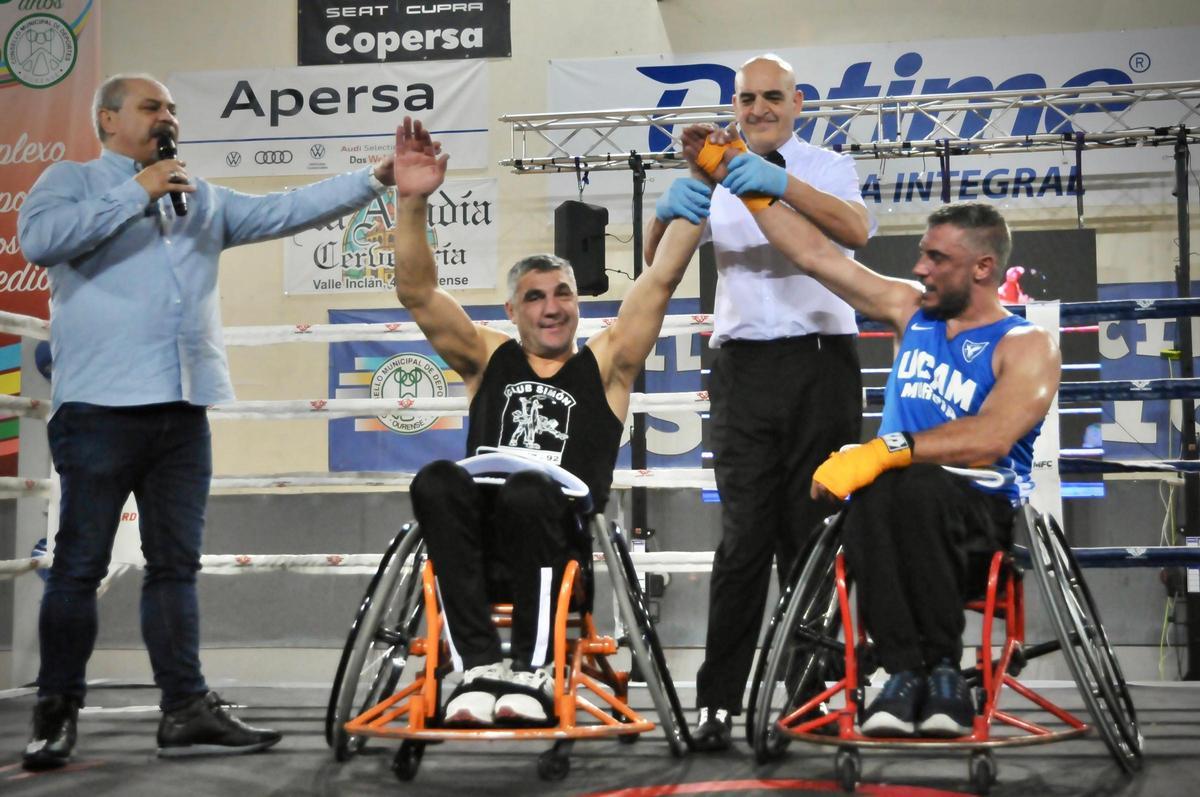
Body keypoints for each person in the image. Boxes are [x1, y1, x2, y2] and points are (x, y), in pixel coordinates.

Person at [16, 73, 400, 769]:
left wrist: (378, 176)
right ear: (107, 120)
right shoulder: (68, 180)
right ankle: (56, 709)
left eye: (171, 108)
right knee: (77, 566)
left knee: (175, 568)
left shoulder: (200, 200)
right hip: (99, 409)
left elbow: (289, 208)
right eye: (151, 106)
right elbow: (42, 241)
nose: (168, 116)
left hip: (182, 411)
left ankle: (184, 709)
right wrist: (137, 189)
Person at [391, 117, 707, 726]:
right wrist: (411, 202)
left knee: (530, 487)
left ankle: (533, 672)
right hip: (478, 548)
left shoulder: (607, 366)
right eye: (534, 296)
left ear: (578, 303)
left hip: (556, 545)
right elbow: (419, 293)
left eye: (562, 292)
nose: (551, 306)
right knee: (436, 479)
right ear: (511, 310)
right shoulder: (488, 359)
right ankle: (478, 668)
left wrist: (701, 178)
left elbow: (662, 277)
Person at [752, 197, 1060, 737]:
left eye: (937, 258)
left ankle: (935, 668)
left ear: (983, 268)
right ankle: (913, 674)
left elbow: (991, 437)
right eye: (922, 255)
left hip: (974, 519)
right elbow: (814, 255)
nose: (921, 268)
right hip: (888, 515)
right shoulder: (910, 310)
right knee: (880, 493)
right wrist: (739, 176)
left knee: (904, 482)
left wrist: (886, 449)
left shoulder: (1025, 344)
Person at [645, 53, 872, 750]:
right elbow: (659, 264)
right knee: (743, 540)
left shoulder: (827, 165)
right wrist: (671, 204)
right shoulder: (712, 170)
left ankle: (814, 696)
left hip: (820, 365)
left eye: (773, 96)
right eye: (748, 98)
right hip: (742, 369)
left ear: (798, 102)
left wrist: (778, 183)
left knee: (812, 538)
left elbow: (857, 233)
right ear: (735, 103)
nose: (759, 108)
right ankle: (718, 701)